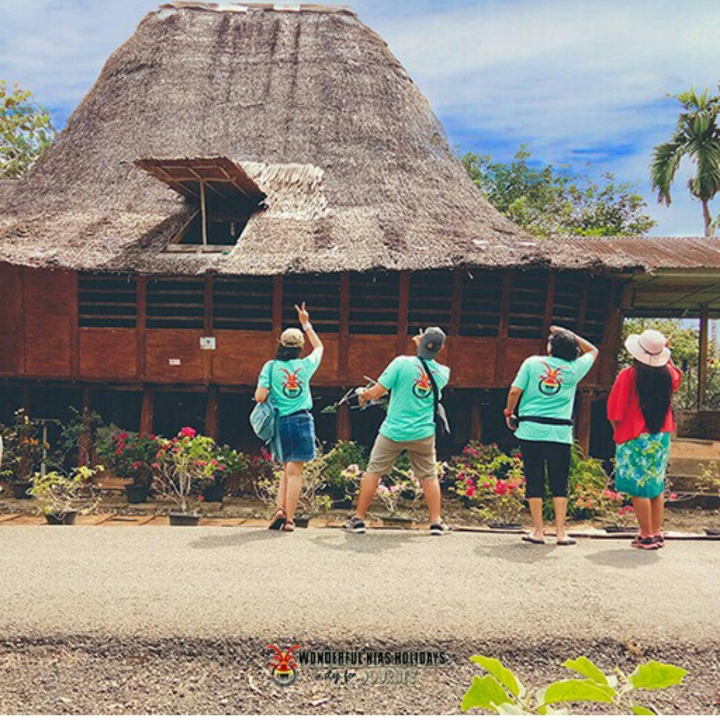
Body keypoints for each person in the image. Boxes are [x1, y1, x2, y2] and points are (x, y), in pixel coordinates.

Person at [344, 327, 451, 535]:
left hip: (393, 431)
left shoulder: (401, 363)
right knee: (429, 476)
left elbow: (377, 392)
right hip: (423, 432)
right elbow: (424, 365)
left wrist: (362, 394)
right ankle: (436, 521)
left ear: (420, 342)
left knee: (373, 471)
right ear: (442, 348)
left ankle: (358, 519)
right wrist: (423, 347)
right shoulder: (443, 373)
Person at [504, 325, 599, 545]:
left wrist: (510, 412)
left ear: (550, 348)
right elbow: (593, 351)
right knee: (559, 482)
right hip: (559, 432)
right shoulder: (574, 369)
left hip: (531, 430)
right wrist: (570, 334)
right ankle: (560, 532)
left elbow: (515, 391)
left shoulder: (532, 363)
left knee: (534, 479)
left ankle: (537, 531)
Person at [607, 328, 682, 551]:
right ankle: (656, 532)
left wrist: (618, 433)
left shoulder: (628, 375)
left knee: (638, 488)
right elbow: (674, 372)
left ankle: (646, 535)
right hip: (660, 436)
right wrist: (664, 352)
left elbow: (614, 411)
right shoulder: (669, 376)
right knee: (655, 486)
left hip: (634, 434)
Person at [255, 302, 323, 532]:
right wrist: (306, 324)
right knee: (295, 472)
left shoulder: (270, 367)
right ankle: (291, 520)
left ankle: (280, 510)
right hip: (302, 420)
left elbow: (260, 396)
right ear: (300, 346)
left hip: (281, 422)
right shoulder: (306, 365)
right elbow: (320, 347)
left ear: (279, 344)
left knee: (286, 469)